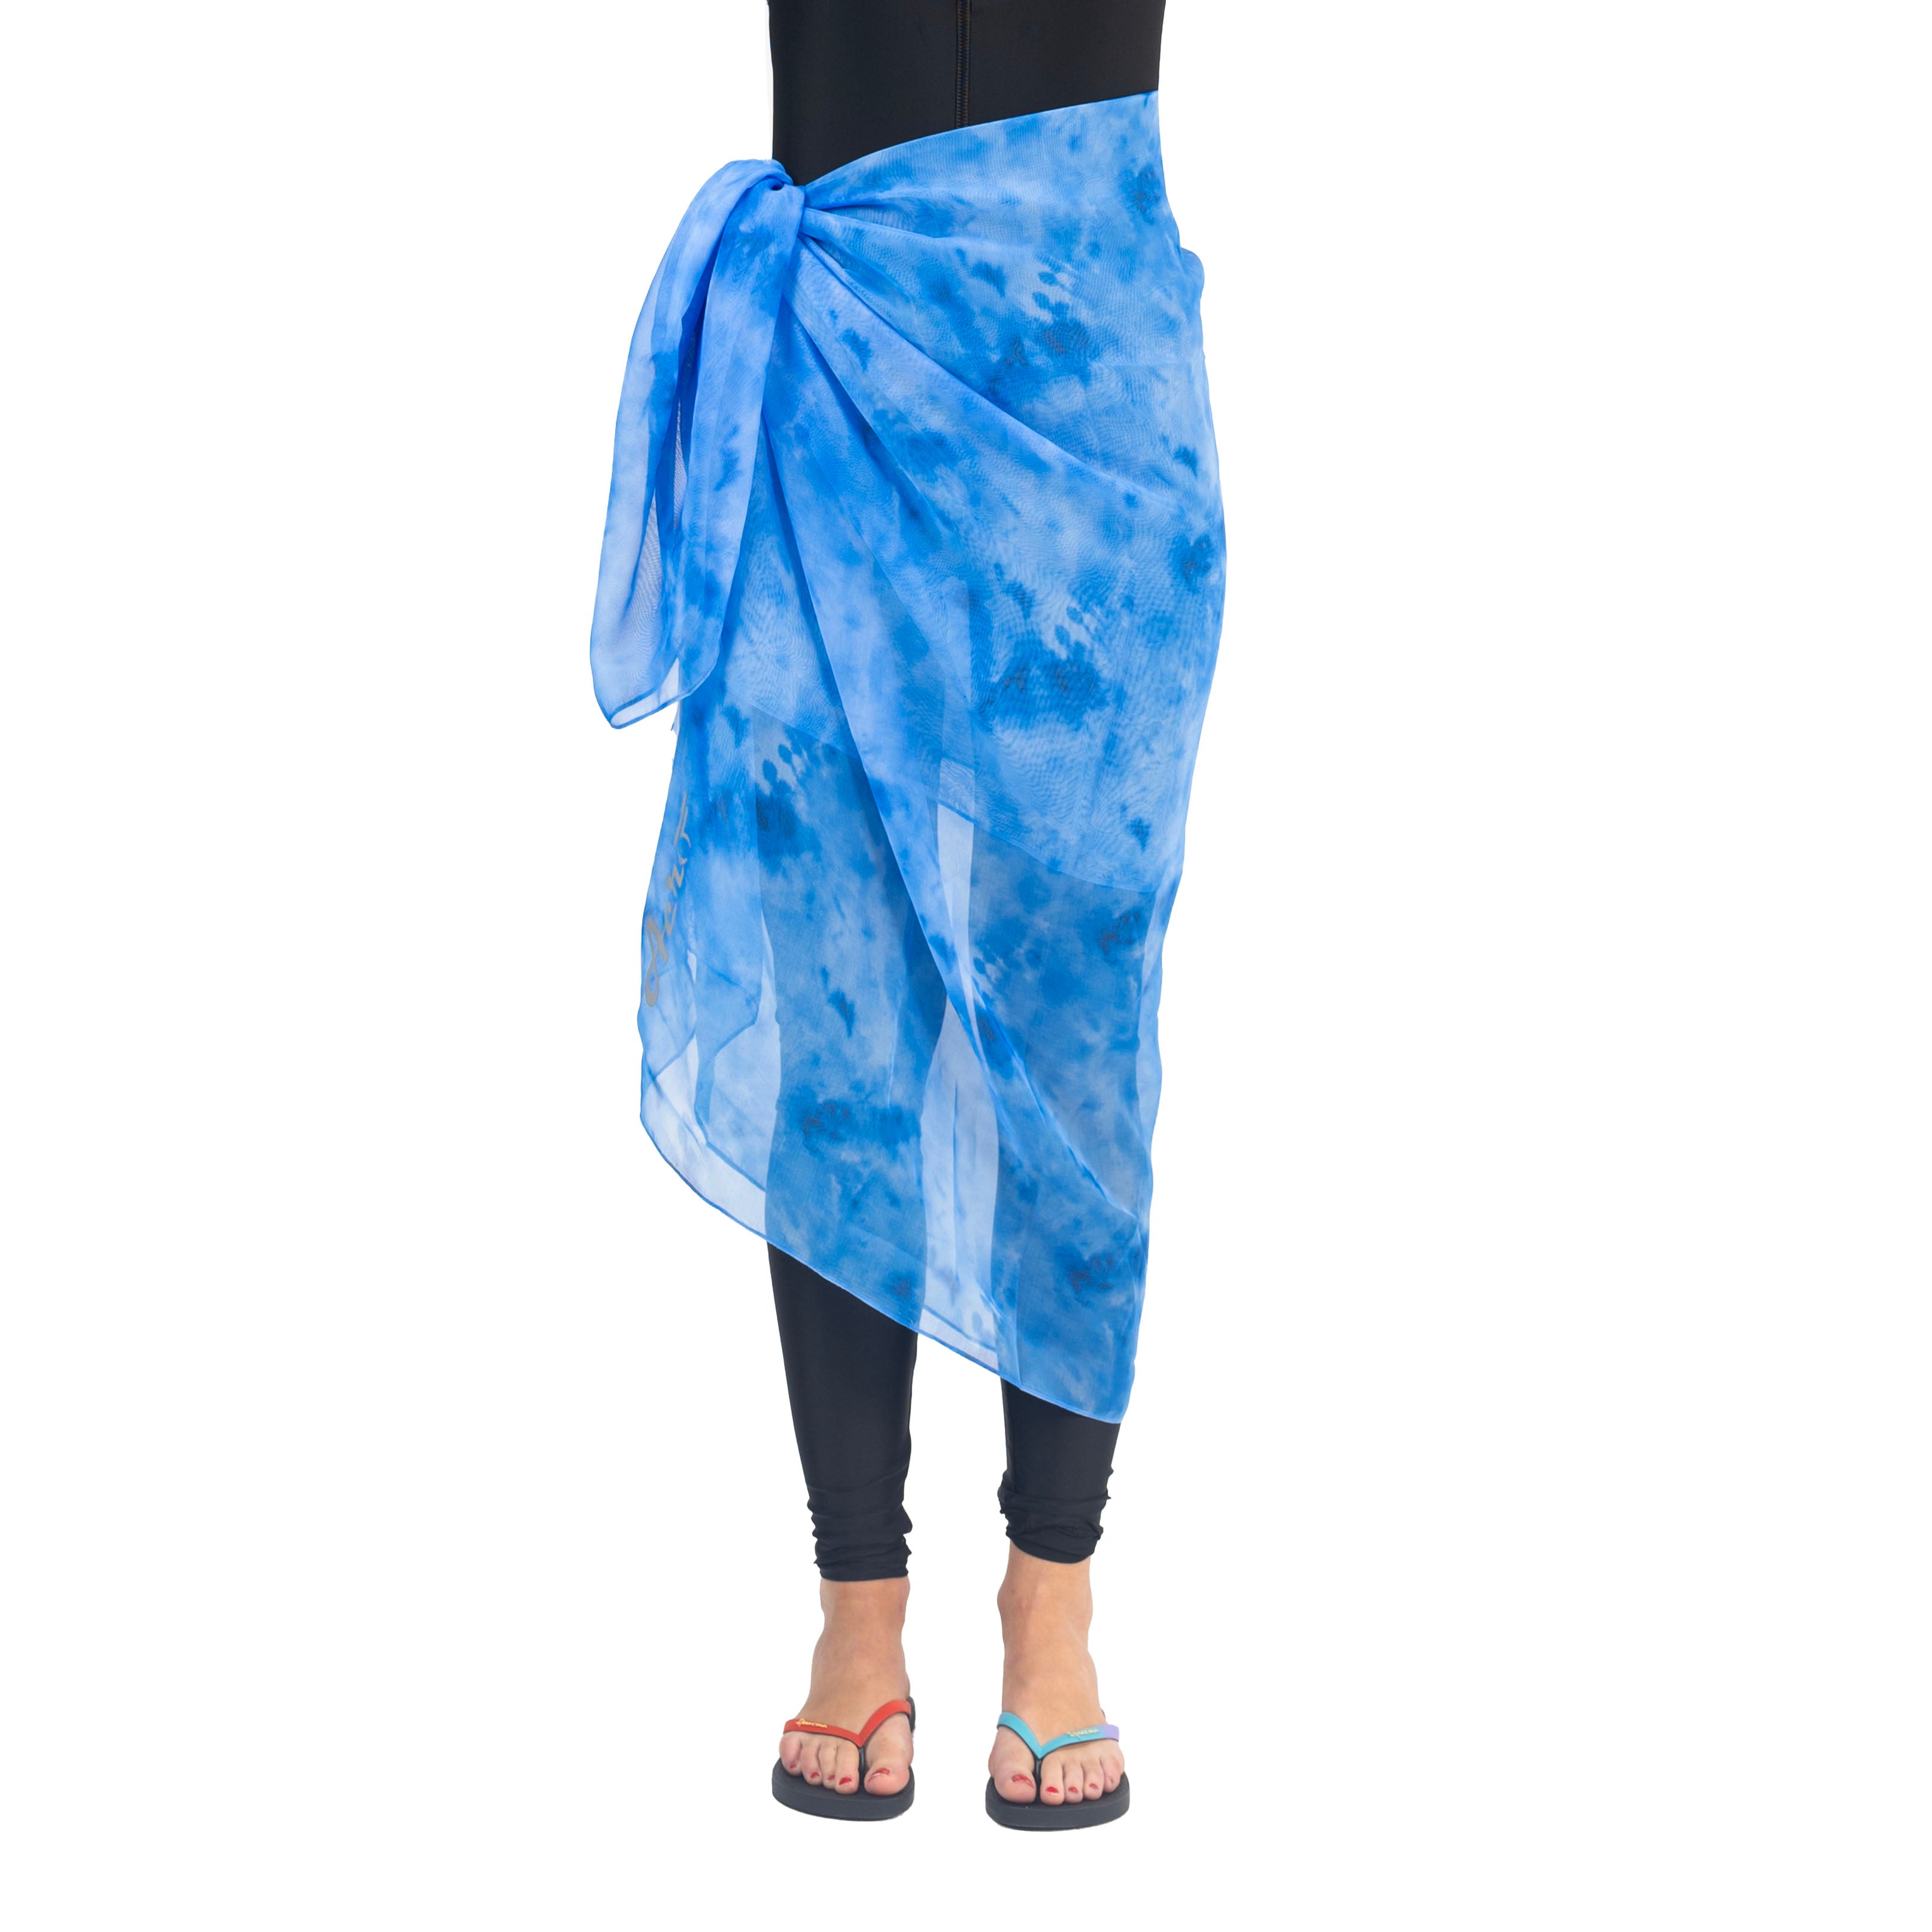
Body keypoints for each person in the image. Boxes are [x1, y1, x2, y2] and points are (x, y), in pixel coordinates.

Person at [589, 0, 1221, 1828]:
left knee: (1077, 1003)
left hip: (1085, 385)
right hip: (832, 365)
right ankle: (856, 1595)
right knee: (839, 997)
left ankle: (1052, 1585)